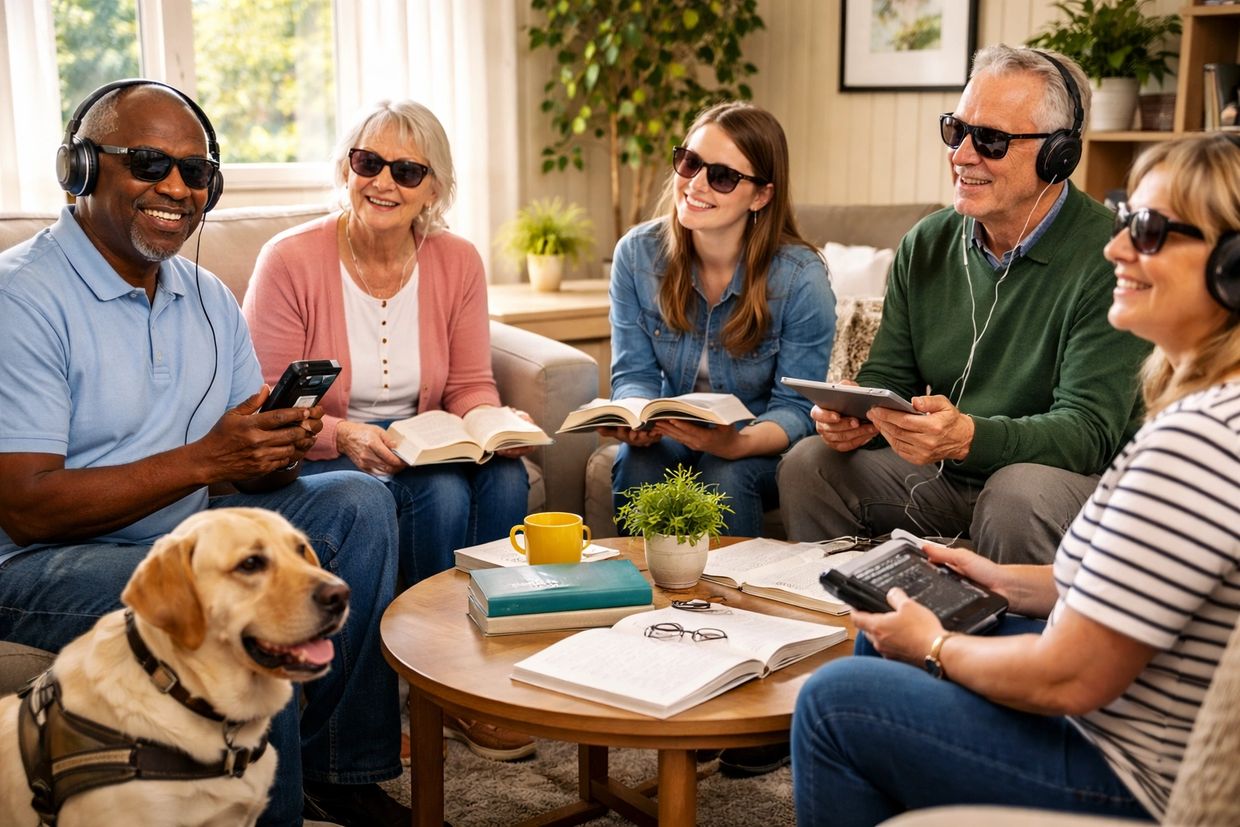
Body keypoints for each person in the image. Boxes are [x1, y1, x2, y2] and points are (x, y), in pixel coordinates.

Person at [791, 131, 1240, 826]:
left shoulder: (1197, 440)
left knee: (835, 700)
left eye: (1147, 232)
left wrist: (935, 645)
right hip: (1121, 720)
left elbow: (1073, 674)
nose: (1117, 248)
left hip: (1126, 767)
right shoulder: (1213, 414)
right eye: (1126, 224)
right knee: (882, 627)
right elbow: (1143, 581)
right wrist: (999, 579)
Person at [0, 81, 407, 826]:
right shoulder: (20, 299)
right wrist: (207, 460)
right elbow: (26, 506)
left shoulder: (208, 294)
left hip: (192, 526)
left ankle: (339, 769)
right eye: (150, 163)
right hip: (38, 562)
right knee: (230, 591)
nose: (177, 189)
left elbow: (239, 459)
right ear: (81, 170)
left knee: (358, 501)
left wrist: (272, 448)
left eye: (197, 173)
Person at [242, 99, 536, 762]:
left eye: (407, 171)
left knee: (505, 473)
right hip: (320, 456)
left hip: (419, 444)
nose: (384, 182)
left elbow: (467, 383)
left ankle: (477, 683)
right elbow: (261, 401)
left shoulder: (456, 260)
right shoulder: (289, 259)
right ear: (347, 168)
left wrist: (493, 421)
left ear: (435, 187)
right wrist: (343, 433)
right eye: (369, 162)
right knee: (449, 496)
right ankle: (434, 684)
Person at [778, 45, 1152, 565]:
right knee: (809, 464)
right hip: (940, 479)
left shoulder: (1112, 254)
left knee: (1016, 496)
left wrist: (968, 438)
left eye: (991, 140)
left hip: (1061, 485)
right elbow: (890, 376)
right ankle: (843, 629)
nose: (961, 155)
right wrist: (856, 418)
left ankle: (1011, 646)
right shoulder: (927, 243)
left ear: (1058, 154)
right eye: (957, 130)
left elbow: (1088, 433)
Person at [605, 101, 835, 540]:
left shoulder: (801, 278)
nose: (695, 184)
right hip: (676, 428)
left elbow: (797, 410)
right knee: (637, 462)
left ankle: (728, 605)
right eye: (689, 163)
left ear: (762, 195)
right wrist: (636, 417)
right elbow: (633, 374)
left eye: (722, 176)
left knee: (724, 473)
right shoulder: (637, 255)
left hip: (758, 440)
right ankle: (640, 601)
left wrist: (735, 443)